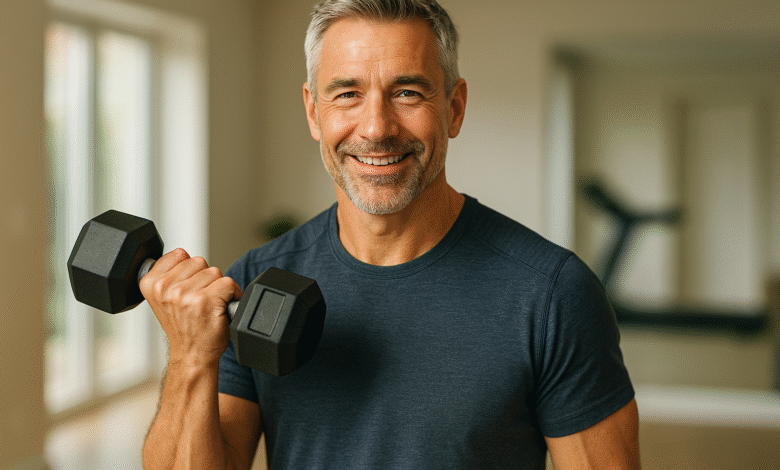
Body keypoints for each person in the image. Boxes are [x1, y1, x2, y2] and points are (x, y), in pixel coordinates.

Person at [141, 0, 641, 468]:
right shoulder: (257, 279)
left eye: (407, 93)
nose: (377, 128)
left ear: (454, 107)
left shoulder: (553, 295)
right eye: (347, 94)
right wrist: (190, 357)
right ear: (314, 112)